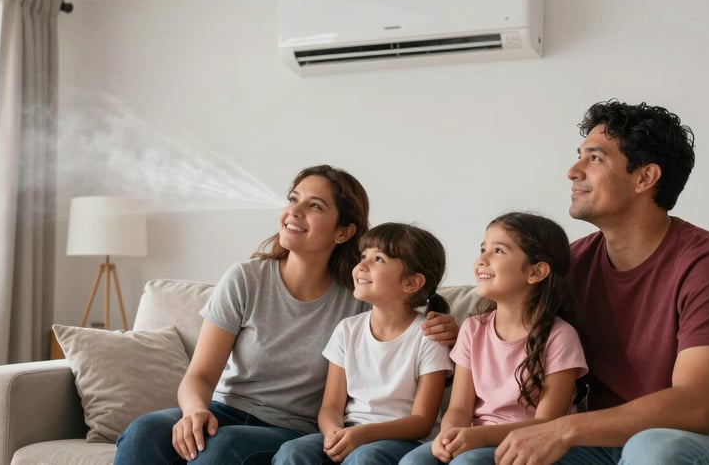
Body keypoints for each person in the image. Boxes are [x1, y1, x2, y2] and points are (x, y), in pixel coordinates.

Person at [114, 165, 459, 465]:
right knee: (144, 431)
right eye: (293, 199)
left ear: (344, 231)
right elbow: (201, 375)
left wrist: (447, 328)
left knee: (223, 450)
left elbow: (404, 312)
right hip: (223, 411)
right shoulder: (245, 279)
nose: (295, 211)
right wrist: (194, 411)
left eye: (314, 206)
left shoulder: (358, 296)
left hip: (293, 429)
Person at [495, 100, 709, 465]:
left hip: (704, 444)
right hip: (602, 442)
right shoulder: (571, 264)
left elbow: (697, 407)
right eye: (579, 156)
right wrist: (442, 328)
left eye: (595, 158)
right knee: (482, 458)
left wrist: (564, 429)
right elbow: (506, 331)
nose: (573, 171)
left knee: (652, 449)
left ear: (644, 178)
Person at [400, 212, 588, 465]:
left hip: (528, 444)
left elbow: (546, 423)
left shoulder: (560, 336)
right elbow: (458, 409)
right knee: (413, 462)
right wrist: (448, 435)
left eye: (498, 251)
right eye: (483, 248)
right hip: (474, 436)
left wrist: (476, 436)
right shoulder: (472, 328)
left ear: (536, 271)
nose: (481, 259)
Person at [273, 222, 455, 465]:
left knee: (365, 457)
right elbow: (330, 407)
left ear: (411, 283)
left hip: (403, 441)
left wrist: (364, 434)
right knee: (293, 451)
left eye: (378, 259)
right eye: (363, 256)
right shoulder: (347, 330)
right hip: (350, 431)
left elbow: (422, 421)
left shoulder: (428, 338)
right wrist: (333, 434)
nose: (361, 266)